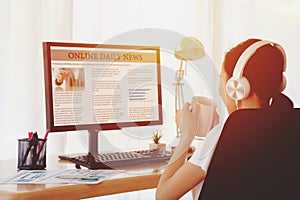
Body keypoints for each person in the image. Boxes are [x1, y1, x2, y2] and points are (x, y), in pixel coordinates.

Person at [156, 38, 297, 200]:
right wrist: (214, 137)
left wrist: (187, 135)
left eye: (222, 81)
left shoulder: (223, 135)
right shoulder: (288, 126)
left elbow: (163, 195)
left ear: (237, 88)